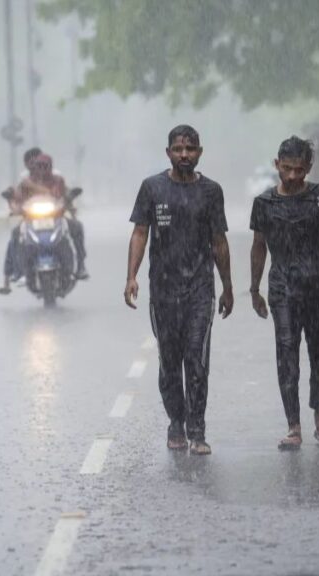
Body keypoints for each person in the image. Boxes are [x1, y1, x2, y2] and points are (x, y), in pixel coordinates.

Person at [124, 124, 234, 456]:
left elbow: (219, 241)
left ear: (200, 152)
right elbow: (140, 233)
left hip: (200, 288)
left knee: (197, 358)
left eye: (190, 149)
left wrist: (228, 286)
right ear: (168, 153)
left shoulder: (211, 191)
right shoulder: (152, 188)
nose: (184, 154)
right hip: (163, 289)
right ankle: (176, 421)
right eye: (178, 149)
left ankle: (197, 430)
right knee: (170, 360)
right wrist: (131, 276)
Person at [249, 136, 319, 451]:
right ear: (277, 166)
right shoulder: (264, 203)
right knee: (286, 352)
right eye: (287, 169)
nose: (293, 176)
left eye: (299, 169)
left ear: (309, 167)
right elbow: (259, 247)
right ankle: (293, 425)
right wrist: (254, 288)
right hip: (282, 286)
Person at [0, 147, 43, 295]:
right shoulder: (24, 181)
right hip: (31, 219)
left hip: (54, 218)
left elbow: (63, 193)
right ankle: (14, 274)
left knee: (73, 228)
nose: (34, 165)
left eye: (37, 161)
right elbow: (17, 199)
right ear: (27, 165)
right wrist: (12, 201)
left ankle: (78, 265)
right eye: (31, 163)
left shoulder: (53, 176)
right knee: (15, 236)